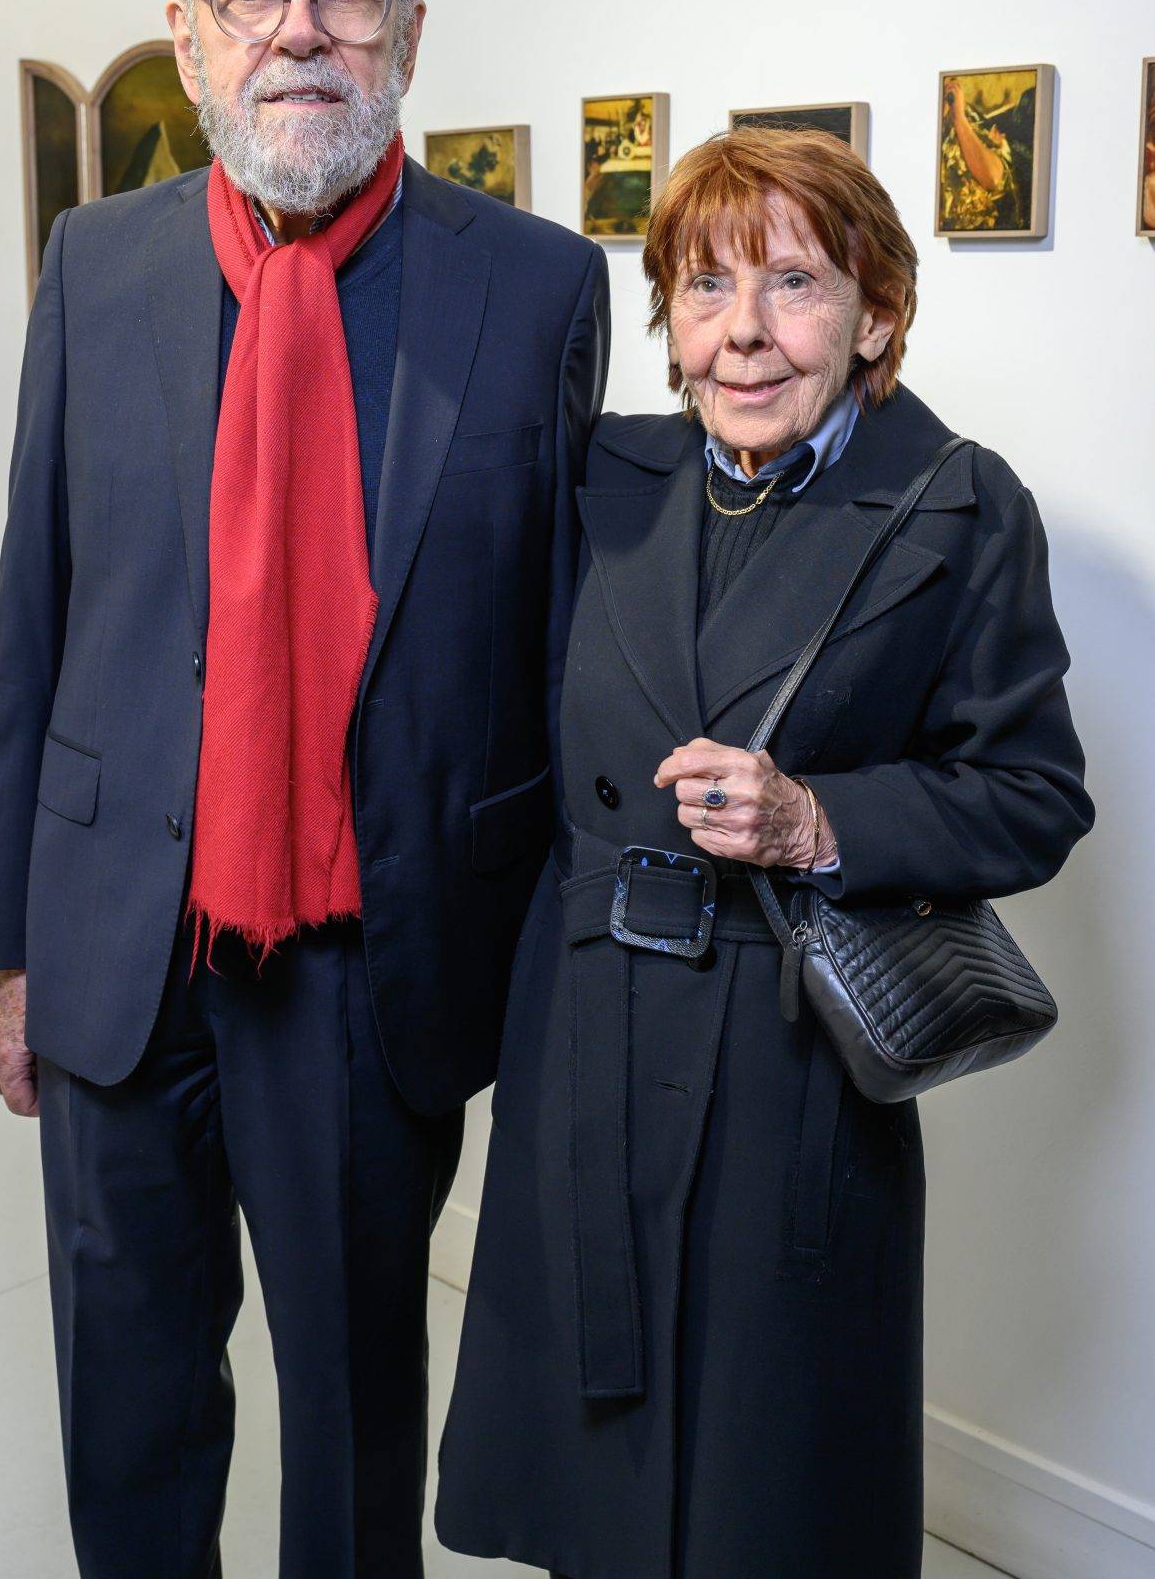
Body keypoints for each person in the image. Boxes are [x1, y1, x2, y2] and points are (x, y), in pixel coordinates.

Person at [0, 0, 609, 1579]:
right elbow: (42, 613)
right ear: (188, 39)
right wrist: (12, 945)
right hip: (118, 939)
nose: (298, 29)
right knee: (130, 1390)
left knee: (349, 1411)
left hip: (368, 953)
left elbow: (559, 645)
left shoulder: (534, 284)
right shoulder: (96, 269)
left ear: (409, 31)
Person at [436, 127, 1093, 1579]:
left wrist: (816, 819)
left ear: (875, 313)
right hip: (584, 1030)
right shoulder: (603, 477)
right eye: (702, 284)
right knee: (589, 1473)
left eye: (792, 283)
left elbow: (1031, 794)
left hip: (785, 1056)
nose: (741, 333)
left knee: (760, 1477)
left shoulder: (957, 506)